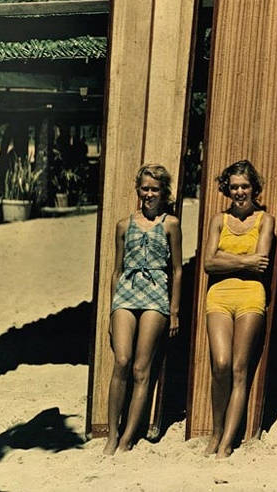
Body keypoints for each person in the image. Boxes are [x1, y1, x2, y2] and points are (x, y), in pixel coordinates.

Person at [104, 164, 182, 455]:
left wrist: (174, 311)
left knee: (141, 368)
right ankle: (112, 435)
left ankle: (127, 439)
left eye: (155, 189)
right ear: (138, 189)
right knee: (122, 361)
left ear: (164, 193)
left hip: (155, 296)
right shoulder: (124, 225)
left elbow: (176, 270)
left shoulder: (170, 224)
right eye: (145, 188)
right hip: (126, 294)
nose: (149, 194)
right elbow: (116, 270)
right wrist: (112, 309)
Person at [203, 160, 275, 458]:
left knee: (239, 367)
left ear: (253, 188)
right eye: (234, 187)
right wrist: (244, 261)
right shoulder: (219, 220)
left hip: (251, 296)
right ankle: (216, 430)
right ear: (226, 189)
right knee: (220, 364)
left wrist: (227, 258)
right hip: (219, 295)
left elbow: (262, 262)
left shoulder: (265, 220)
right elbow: (208, 263)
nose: (239, 192)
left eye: (244, 186)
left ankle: (228, 441)